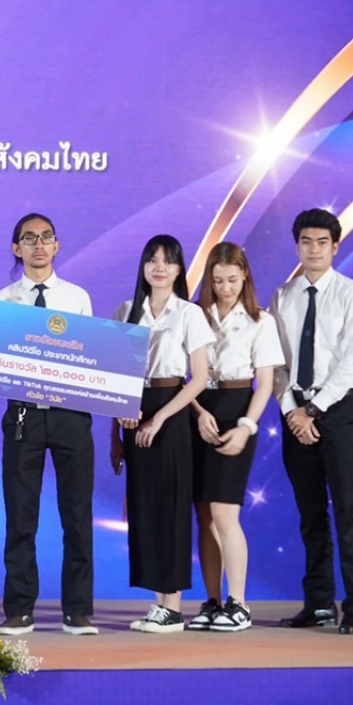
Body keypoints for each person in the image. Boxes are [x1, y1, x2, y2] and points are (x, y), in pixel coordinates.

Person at [0, 213, 100, 637]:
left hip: (71, 417)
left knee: (76, 515)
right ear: (16, 247)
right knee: (20, 516)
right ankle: (19, 609)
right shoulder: (1, 300)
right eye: (29, 238)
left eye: (46, 237)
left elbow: (91, 359)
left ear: (56, 245)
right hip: (23, 416)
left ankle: (77, 610)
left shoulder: (77, 297)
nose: (39, 245)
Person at [271, 208, 353, 635]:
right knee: (310, 514)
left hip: (336, 412)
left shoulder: (351, 294)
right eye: (306, 242)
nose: (313, 250)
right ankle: (318, 603)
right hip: (295, 414)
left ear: (335, 247)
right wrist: (292, 411)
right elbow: (275, 362)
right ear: (297, 246)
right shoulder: (282, 296)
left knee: (347, 509)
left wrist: (313, 411)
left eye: (322, 242)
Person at [110, 235, 213, 633]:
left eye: (167, 261)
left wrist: (160, 419)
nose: (159, 267)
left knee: (171, 506)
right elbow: (113, 373)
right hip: (132, 410)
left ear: (178, 269)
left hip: (171, 408)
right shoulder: (126, 311)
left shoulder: (189, 313)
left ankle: (174, 605)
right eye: (152, 259)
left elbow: (198, 378)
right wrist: (118, 424)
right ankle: (158, 603)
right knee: (144, 507)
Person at [185, 241, 281, 632]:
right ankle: (212, 601)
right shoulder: (194, 316)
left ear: (245, 277)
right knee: (203, 514)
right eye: (218, 280)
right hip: (199, 408)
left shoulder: (262, 320)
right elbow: (182, 374)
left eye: (232, 280)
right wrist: (198, 412)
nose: (225, 288)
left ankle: (239, 603)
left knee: (225, 512)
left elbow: (265, 383)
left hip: (238, 407)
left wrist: (246, 426)